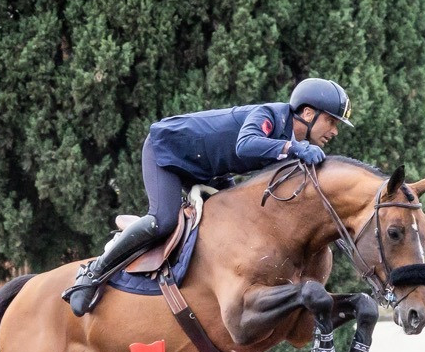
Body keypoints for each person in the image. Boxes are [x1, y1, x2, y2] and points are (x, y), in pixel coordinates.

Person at [63, 77, 352, 316]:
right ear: (308, 113)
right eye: (331, 121)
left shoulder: (291, 140)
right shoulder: (268, 116)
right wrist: (294, 148)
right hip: (168, 151)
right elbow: (245, 145)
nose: (335, 131)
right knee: (162, 221)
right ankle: (92, 274)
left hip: (209, 170)